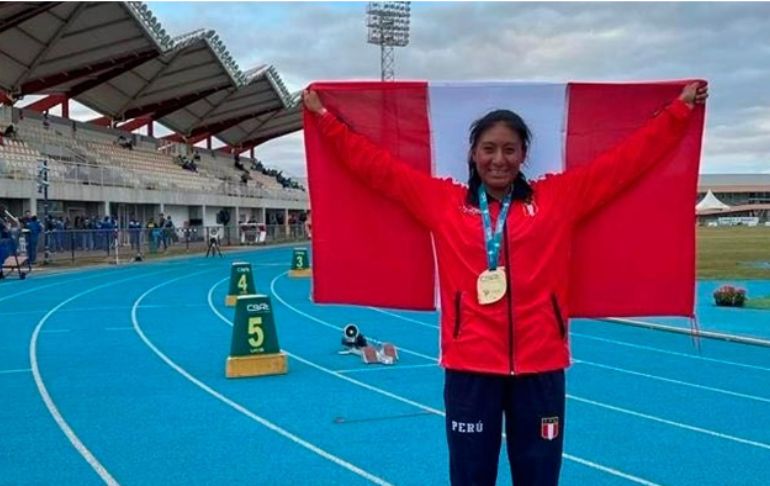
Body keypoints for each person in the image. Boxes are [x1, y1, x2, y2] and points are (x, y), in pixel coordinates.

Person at [303, 82, 708, 486]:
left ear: (523, 155)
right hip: (469, 369)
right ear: (473, 154)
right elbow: (378, 169)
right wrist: (324, 119)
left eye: (509, 149)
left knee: (539, 478)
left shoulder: (558, 198)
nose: (499, 159)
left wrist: (678, 112)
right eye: (489, 149)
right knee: (471, 478)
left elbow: (625, 163)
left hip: (542, 368)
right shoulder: (444, 204)